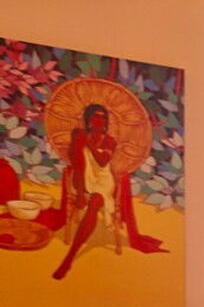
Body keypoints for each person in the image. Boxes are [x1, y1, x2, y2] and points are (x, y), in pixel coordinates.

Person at [51, 103, 164, 280]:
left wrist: (89, 143)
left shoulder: (110, 140)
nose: (100, 120)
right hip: (82, 178)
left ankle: (69, 258)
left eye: (103, 117)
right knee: (87, 190)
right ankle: (70, 256)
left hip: (103, 179)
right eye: (96, 116)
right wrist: (79, 193)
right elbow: (77, 163)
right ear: (88, 119)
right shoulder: (78, 134)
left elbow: (103, 161)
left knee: (96, 200)